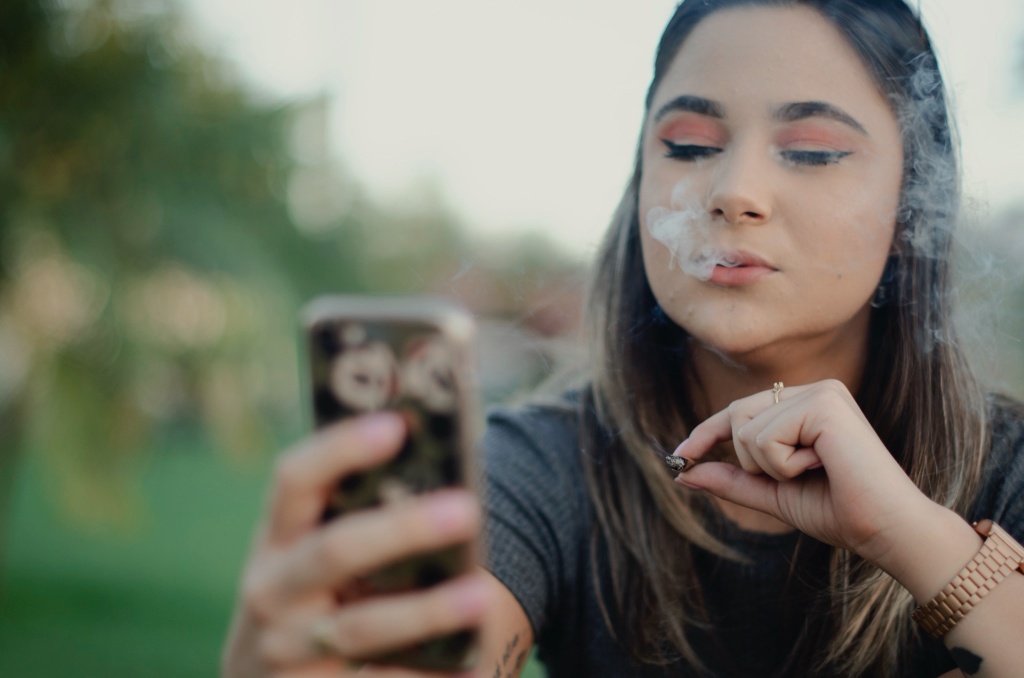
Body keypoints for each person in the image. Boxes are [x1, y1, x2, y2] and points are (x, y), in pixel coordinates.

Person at [221, 1, 1024, 676]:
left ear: (919, 195)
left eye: (812, 150)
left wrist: (915, 539)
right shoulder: (541, 471)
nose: (734, 190)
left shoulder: (1012, 475)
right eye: (689, 146)